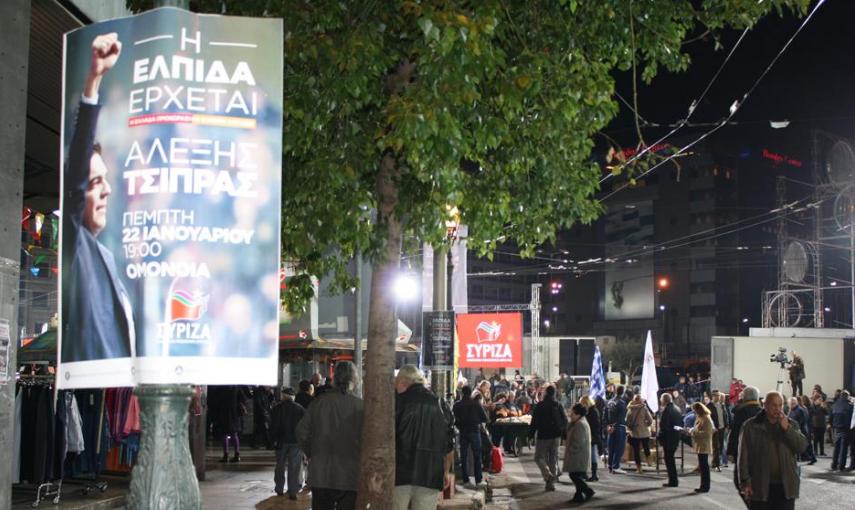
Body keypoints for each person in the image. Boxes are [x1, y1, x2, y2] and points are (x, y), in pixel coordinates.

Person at [61, 32, 136, 363]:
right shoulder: (73, 242)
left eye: (105, 179)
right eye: (94, 182)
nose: (106, 189)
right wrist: (92, 83)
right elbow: (75, 177)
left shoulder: (102, 254)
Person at [296, 361, 363, 509]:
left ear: (334, 378)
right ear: (355, 379)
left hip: (321, 473)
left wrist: (311, 452)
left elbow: (302, 432)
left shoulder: (318, 403)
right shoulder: (361, 406)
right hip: (350, 473)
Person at [394, 365, 455, 509]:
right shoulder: (440, 404)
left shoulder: (396, 403)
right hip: (430, 474)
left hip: (399, 475)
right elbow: (449, 444)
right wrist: (446, 472)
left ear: (403, 382)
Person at [738, 391, 808, 510]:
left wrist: (787, 429)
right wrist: (745, 482)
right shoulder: (751, 426)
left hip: (785, 486)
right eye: (774, 405)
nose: (778, 409)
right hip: (760, 485)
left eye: (780, 405)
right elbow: (743, 456)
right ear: (765, 405)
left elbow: (802, 447)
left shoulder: (791, 424)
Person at [727, 385, 762, 507]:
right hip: (759, 452)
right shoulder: (762, 411)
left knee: (740, 480)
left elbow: (735, 432)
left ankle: (752, 504)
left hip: (742, 451)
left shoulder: (741, 411)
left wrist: (731, 452)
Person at [528, 385, 567, 491]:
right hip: (556, 436)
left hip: (543, 436)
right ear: (554, 393)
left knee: (539, 457)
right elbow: (564, 420)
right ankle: (551, 483)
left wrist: (530, 435)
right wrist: (564, 435)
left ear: (545, 393)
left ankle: (548, 475)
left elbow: (534, 422)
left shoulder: (540, 405)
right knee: (553, 459)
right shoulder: (558, 405)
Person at [270, 387, 305, 500]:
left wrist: (272, 440)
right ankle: (293, 491)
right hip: (296, 442)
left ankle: (279, 489)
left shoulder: (276, 409)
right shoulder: (300, 409)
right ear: (293, 397)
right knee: (294, 467)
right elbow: (304, 427)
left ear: (283, 396)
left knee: (280, 466)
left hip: (280, 442)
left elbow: (273, 427)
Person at [453, 386, 488, 489]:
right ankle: (478, 480)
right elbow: (485, 418)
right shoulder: (476, 404)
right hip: (474, 431)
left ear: (462, 393)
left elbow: (453, 418)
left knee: (463, 457)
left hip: (463, 432)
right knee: (477, 456)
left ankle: (466, 480)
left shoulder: (457, 405)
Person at [564, 403, 595, 503]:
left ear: (577, 414)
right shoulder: (578, 422)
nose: (570, 415)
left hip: (578, 455)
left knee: (574, 475)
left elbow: (578, 442)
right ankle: (578, 496)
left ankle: (588, 491)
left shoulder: (580, 424)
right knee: (576, 475)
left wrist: (571, 450)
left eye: (572, 413)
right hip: (579, 455)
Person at [658, 392, 683, 487]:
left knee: (669, 460)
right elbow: (680, 424)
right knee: (670, 459)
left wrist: (660, 437)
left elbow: (664, 426)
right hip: (675, 437)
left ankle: (673, 481)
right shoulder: (677, 408)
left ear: (664, 400)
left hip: (668, 439)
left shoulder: (667, 410)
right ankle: (673, 480)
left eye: (661, 400)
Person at [626, 394, 653, 473]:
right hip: (644, 432)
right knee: (646, 447)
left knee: (636, 451)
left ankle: (639, 468)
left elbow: (627, 422)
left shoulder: (630, 409)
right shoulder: (644, 408)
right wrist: (645, 425)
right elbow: (650, 420)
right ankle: (649, 462)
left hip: (635, 433)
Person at [690, 402, 713, 493]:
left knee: (704, 467)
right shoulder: (700, 417)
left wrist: (693, 432)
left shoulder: (706, 418)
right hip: (700, 444)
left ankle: (705, 486)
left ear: (699, 409)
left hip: (704, 445)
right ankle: (703, 485)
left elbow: (707, 433)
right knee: (702, 466)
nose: (694, 412)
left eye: (695, 410)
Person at [605, 385, 628, 473]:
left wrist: (609, 425)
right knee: (619, 447)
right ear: (623, 392)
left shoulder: (609, 401)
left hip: (610, 427)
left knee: (611, 447)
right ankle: (616, 466)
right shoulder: (621, 403)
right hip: (619, 427)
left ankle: (610, 465)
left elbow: (605, 414)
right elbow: (622, 417)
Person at [580, 395, 602, 482]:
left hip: (592, 436)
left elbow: (595, 425)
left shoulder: (592, 411)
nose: (582, 405)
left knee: (592, 456)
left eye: (582, 403)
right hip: (591, 435)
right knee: (589, 455)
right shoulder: (591, 411)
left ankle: (593, 474)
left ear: (586, 402)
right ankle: (591, 474)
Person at [830, 390, 853, 471]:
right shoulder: (850, 406)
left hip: (837, 429)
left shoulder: (834, 405)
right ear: (847, 396)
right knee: (843, 449)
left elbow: (831, 417)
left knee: (836, 448)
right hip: (846, 429)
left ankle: (834, 464)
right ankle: (841, 466)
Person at [787, 396, 814, 464]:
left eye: (790, 404)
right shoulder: (792, 410)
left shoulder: (799, 410)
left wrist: (795, 426)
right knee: (806, 446)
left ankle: (812, 458)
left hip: (802, 430)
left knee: (807, 446)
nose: (789, 405)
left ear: (794, 403)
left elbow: (802, 421)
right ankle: (809, 458)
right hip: (797, 430)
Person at [708, 390, 729, 471]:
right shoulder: (709, 406)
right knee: (716, 446)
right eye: (716, 395)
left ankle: (715, 462)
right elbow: (709, 418)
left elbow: (725, 415)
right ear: (713, 396)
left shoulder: (722, 405)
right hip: (715, 429)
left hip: (722, 428)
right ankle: (717, 464)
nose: (718, 397)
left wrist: (727, 425)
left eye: (719, 395)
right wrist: (712, 427)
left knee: (721, 446)